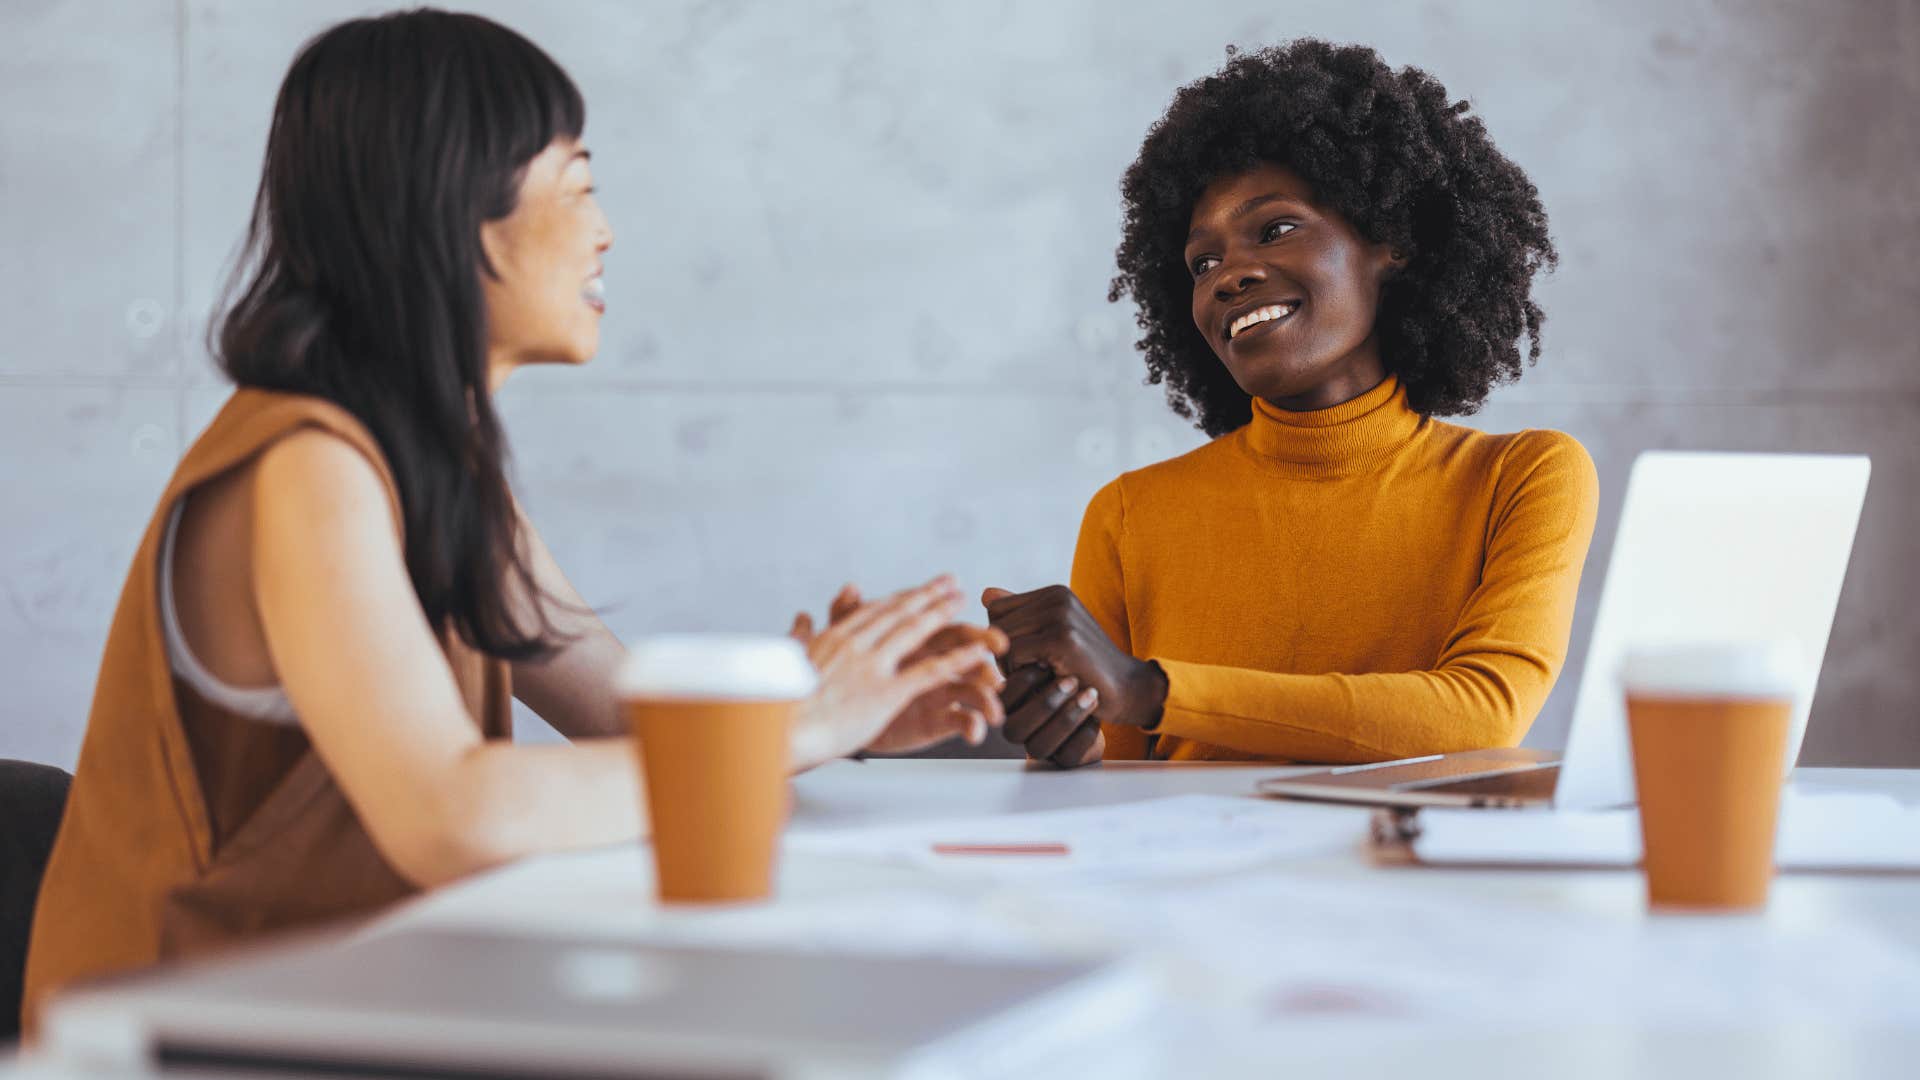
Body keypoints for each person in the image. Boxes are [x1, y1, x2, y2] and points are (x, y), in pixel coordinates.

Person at [21, 9, 1002, 1031]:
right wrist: (798, 725)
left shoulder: (434, 461)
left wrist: (842, 709)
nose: (606, 231)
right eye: (578, 186)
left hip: (331, 1015)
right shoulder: (308, 466)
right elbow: (453, 816)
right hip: (178, 1038)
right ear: (457, 210)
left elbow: (620, 713)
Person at [986, 40, 1599, 768]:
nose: (1228, 277)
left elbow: (1481, 716)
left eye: (1276, 230)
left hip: (1396, 848)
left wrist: (1150, 690)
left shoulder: (1520, 477)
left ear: (1391, 242)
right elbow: (1112, 776)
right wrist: (1064, 734)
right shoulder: (1128, 516)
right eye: (1203, 263)